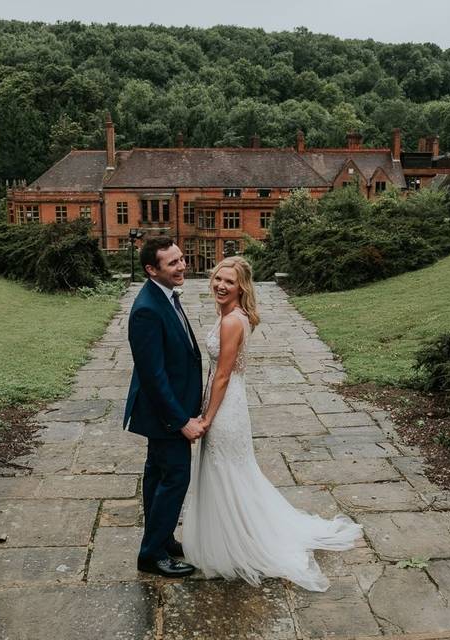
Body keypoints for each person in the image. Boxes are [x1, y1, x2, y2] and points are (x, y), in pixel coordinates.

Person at [183, 256, 363, 592]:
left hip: (224, 408)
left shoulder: (231, 322)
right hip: (232, 402)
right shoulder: (235, 315)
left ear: (242, 287)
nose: (221, 285)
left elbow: (222, 374)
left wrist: (207, 415)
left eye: (229, 282)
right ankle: (232, 535)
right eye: (218, 279)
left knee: (225, 471)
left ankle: (239, 544)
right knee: (232, 471)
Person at [124, 236, 205, 578]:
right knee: (175, 478)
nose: (182, 266)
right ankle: (151, 555)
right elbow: (153, 377)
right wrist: (180, 421)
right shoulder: (146, 309)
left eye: (181, 259)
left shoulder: (166, 295)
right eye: (172, 263)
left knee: (158, 476)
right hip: (164, 415)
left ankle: (161, 539)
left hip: (170, 410)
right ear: (151, 269)